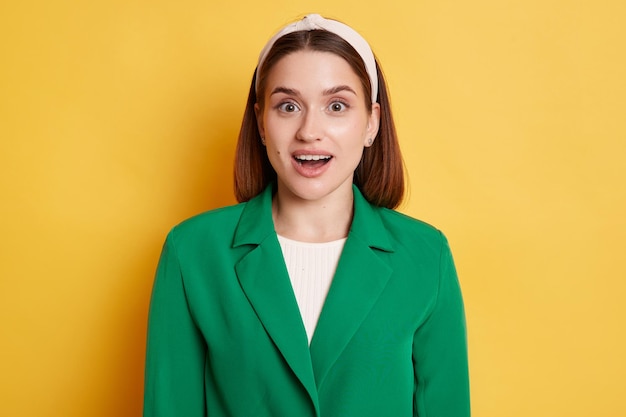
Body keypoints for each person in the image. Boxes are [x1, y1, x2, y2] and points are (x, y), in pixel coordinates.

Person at [143, 14, 470, 417]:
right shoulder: (191, 252)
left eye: (336, 105)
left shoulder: (426, 256)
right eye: (288, 106)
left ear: (371, 123)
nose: (309, 131)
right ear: (262, 123)